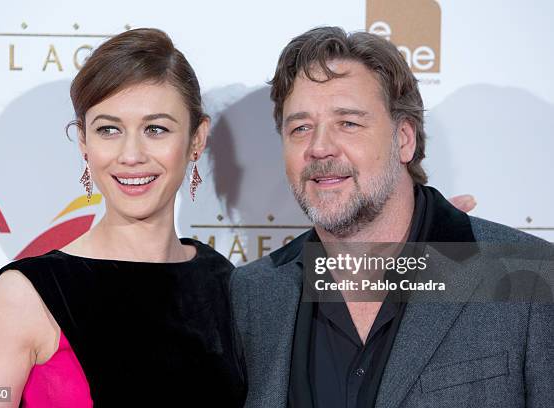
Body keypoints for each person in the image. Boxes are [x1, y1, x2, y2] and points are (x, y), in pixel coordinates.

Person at [230, 27, 554, 408]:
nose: (319, 147)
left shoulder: (532, 281)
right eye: (300, 128)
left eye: (348, 122)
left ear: (404, 139)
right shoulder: (255, 292)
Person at [0, 28, 246, 407]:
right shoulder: (25, 294)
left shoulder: (226, 284)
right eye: (109, 129)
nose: (131, 154)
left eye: (155, 128)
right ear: (84, 142)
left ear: (197, 139)